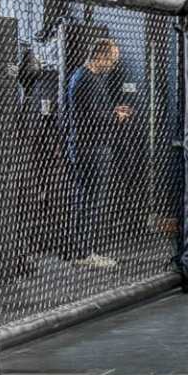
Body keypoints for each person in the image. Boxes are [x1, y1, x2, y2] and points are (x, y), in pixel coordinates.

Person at [63, 31, 137, 269]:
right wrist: (117, 117)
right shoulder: (85, 78)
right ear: (100, 56)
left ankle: (86, 251)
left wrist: (114, 111)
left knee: (90, 199)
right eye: (112, 60)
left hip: (92, 146)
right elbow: (92, 117)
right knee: (90, 200)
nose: (114, 65)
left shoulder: (88, 78)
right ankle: (84, 254)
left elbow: (94, 112)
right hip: (91, 148)